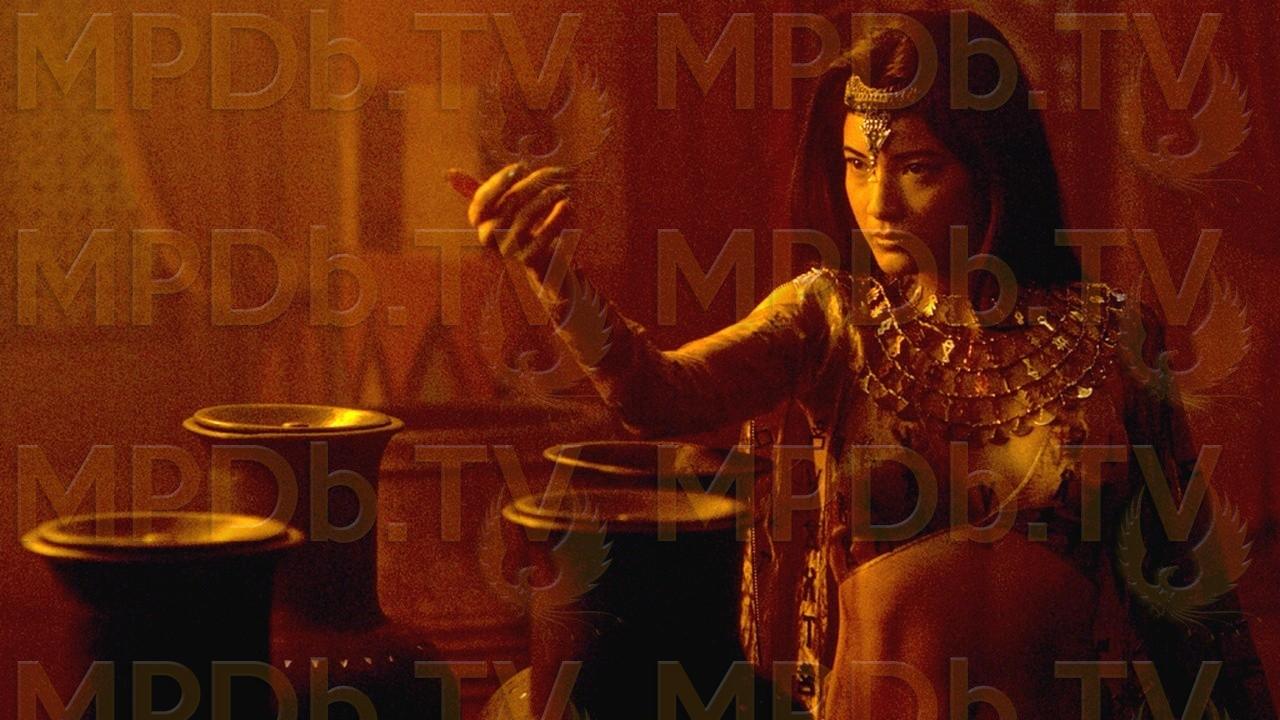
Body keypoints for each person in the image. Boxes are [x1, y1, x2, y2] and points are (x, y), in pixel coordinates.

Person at [465, 10, 1274, 719]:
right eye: (857, 163)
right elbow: (658, 396)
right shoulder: (832, 319)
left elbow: (1190, 595)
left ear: (992, 168)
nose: (878, 202)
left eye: (917, 168)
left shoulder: (1111, 336)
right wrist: (554, 277)